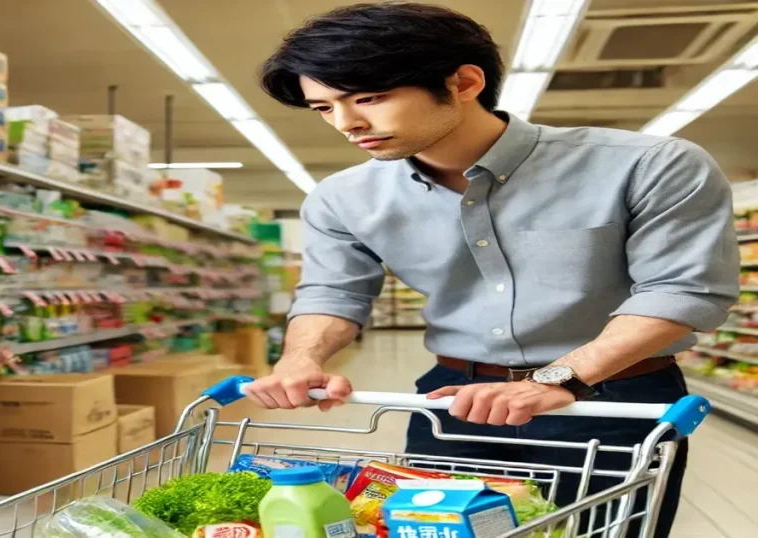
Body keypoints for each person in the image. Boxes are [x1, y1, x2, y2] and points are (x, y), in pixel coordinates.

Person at [245, 3, 739, 537]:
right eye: (324, 108)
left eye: (369, 98)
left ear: (464, 81)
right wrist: (301, 358)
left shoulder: (649, 164)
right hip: (452, 400)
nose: (347, 124)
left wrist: (557, 379)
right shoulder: (341, 199)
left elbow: (681, 291)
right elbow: (332, 293)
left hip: (615, 396)